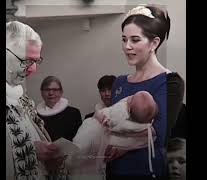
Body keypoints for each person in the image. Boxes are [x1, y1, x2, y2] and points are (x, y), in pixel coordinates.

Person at [105, 5, 185, 179]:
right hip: (114, 172)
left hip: (148, 171)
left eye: (135, 40)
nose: (127, 46)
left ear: (154, 43)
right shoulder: (119, 82)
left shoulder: (170, 81)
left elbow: (159, 132)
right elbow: (111, 124)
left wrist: (121, 145)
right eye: (124, 39)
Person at [6, 21, 62, 180]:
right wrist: (31, 150)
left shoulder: (22, 99)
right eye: (26, 60)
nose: (33, 69)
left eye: (36, 61)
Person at [68, 91, 158, 179]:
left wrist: (102, 117)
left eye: (131, 98)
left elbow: (113, 123)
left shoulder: (122, 114)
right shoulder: (134, 115)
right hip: (94, 128)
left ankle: (69, 159)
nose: (128, 98)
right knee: (81, 152)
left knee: (82, 151)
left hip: (94, 128)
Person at [36, 76, 82, 142]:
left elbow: (79, 140)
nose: (51, 93)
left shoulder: (74, 113)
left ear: (61, 92)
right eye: (47, 90)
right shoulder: (35, 116)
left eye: (55, 90)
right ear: (41, 92)